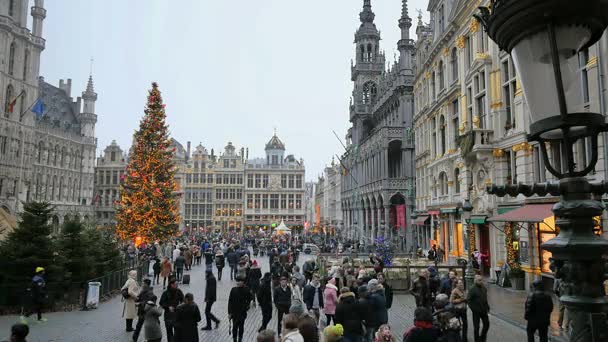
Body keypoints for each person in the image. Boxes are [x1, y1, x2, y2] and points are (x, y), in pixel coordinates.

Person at [228, 276, 252, 342]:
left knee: (241, 326)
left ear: (243, 282)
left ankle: (240, 339)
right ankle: (234, 339)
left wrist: (247, 306)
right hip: (234, 312)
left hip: (242, 312)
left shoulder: (246, 290)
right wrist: (229, 312)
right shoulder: (233, 290)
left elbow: (250, 298)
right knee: (234, 327)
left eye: (240, 281)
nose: (238, 283)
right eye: (237, 281)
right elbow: (230, 301)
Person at [467, 275, 490, 342]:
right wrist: (473, 309)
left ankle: (482, 338)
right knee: (476, 327)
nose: (481, 281)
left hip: (484, 310)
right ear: (475, 280)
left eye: (481, 280)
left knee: (486, 325)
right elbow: (469, 300)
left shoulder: (484, 288)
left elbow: (485, 298)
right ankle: (477, 340)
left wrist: (487, 307)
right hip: (476, 311)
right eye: (479, 280)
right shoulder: (472, 289)